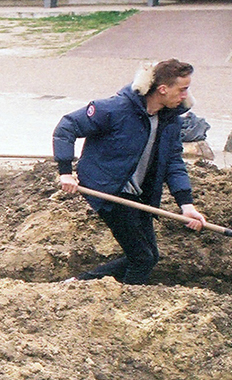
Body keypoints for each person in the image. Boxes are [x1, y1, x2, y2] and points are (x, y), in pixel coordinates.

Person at [53, 58, 206, 284]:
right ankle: (126, 298)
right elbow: (67, 127)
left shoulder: (170, 119)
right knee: (142, 257)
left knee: (149, 256)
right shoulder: (116, 109)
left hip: (141, 193)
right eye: (182, 89)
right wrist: (65, 171)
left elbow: (173, 161)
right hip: (108, 188)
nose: (185, 95)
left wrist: (186, 205)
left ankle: (78, 283)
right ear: (163, 89)